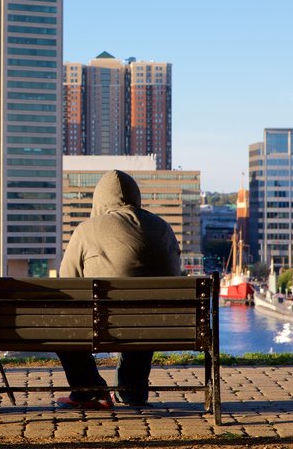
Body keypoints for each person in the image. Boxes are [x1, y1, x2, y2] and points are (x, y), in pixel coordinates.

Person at [56, 169, 181, 410]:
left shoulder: (86, 229)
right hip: (161, 325)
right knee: (146, 312)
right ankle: (130, 391)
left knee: (60, 323)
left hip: (104, 324)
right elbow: (174, 275)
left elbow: (67, 281)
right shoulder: (163, 228)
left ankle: (90, 389)